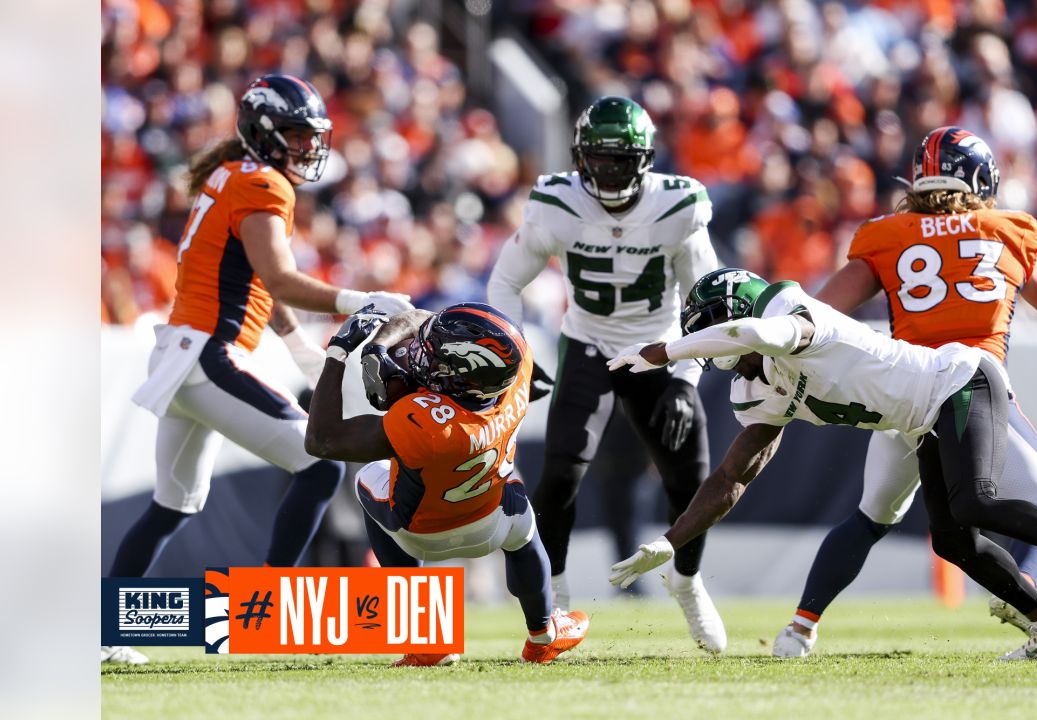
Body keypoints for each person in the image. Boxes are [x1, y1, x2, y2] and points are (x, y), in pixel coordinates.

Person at [607, 268, 1037, 661]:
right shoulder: (756, 387)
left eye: (705, 329)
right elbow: (733, 478)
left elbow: (752, 334)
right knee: (953, 539)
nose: (703, 345)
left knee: (974, 501)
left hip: (960, 379)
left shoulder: (794, 318)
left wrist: (664, 352)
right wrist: (672, 541)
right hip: (920, 417)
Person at [774, 126, 1037, 656]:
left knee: (876, 517)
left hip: (902, 390)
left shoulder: (886, 233)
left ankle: (799, 628)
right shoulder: (1007, 227)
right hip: (970, 382)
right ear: (980, 178)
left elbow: (821, 314)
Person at [104, 75, 414, 665]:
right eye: (295, 134)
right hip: (207, 356)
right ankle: (265, 612)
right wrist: (358, 300)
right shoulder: (262, 184)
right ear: (263, 132)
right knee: (319, 461)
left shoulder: (230, 177)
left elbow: (252, 287)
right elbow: (279, 279)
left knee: (173, 505)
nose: (306, 147)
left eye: (310, 135)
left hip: (184, 353)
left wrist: (300, 349)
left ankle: (111, 632)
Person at [486, 96, 725, 652]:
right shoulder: (557, 202)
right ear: (579, 157)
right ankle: (557, 600)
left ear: (644, 159)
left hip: (658, 349)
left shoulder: (677, 206)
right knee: (561, 474)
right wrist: (518, 351)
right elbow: (504, 283)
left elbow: (705, 299)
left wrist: (687, 377)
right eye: (598, 158)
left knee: (692, 477)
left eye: (621, 160)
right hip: (588, 344)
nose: (609, 170)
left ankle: (687, 584)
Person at [304, 303, 590, 666]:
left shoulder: (424, 422)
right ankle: (543, 633)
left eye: (433, 355)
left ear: (461, 375)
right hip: (492, 520)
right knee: (521, 513)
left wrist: (338, 353)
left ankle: (426, 638)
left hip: (419, 534)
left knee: (369, 475)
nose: (422, 354)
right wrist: (380, 346)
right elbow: (423, 319)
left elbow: (321, 441)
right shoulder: (516, 371)